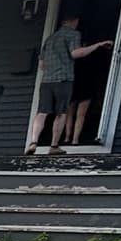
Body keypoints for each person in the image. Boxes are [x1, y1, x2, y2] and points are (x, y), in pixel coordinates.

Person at [27, 15, 112, 154]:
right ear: (74, 21)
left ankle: (33, 142)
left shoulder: (50, 39)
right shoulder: (73, 34)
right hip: (63, 80)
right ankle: (54, 146)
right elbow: (76, 53)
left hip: (46, 81)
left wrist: (52, 69)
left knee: (42, 112)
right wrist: (98, 45)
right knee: (61, 113)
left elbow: (42, 64)